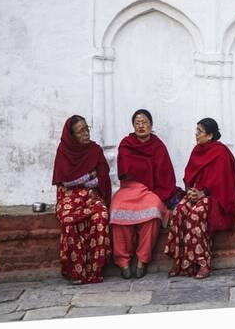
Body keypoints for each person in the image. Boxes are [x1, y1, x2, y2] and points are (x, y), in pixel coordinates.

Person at [164, 117, 235, 279]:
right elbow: (190, 175)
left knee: (195, 216)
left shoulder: (221, 153)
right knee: (178, 212)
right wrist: (191, 191)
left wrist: (202, 194)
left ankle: (203, 263)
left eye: (200, 131)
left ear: (210, 135)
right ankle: (181, 261)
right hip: (196, 192)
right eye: (196, 130)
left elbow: (222, 182)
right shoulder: (197, 150)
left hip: (214, 196)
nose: (196, 134)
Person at [110, 109, 176, 279]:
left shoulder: (158, 145)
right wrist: (147, 165)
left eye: (144, 122)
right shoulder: (126, 143)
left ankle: (142, 259)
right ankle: (123, 261)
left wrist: (142, 167)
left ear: (151, 125)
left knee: (153, 212)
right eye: (137, 123)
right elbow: (126, 167)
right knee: (117, 211)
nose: (141, 126)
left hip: (149, 189)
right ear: (133, 126)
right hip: (128, 188)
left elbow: (164, 171)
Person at [52, 115, 112, 284]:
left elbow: (102, 177)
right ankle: (76, 272)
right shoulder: (64, 151)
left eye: (87, 129)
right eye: (81, 131)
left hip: (91, 195)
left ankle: (94, 270)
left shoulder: (95, 150)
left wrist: (86, 179)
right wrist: (88, 175)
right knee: (69, 221)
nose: (86, 133)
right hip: (69, 197)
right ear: (72, 136)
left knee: (100, 216)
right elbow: (66, 181)